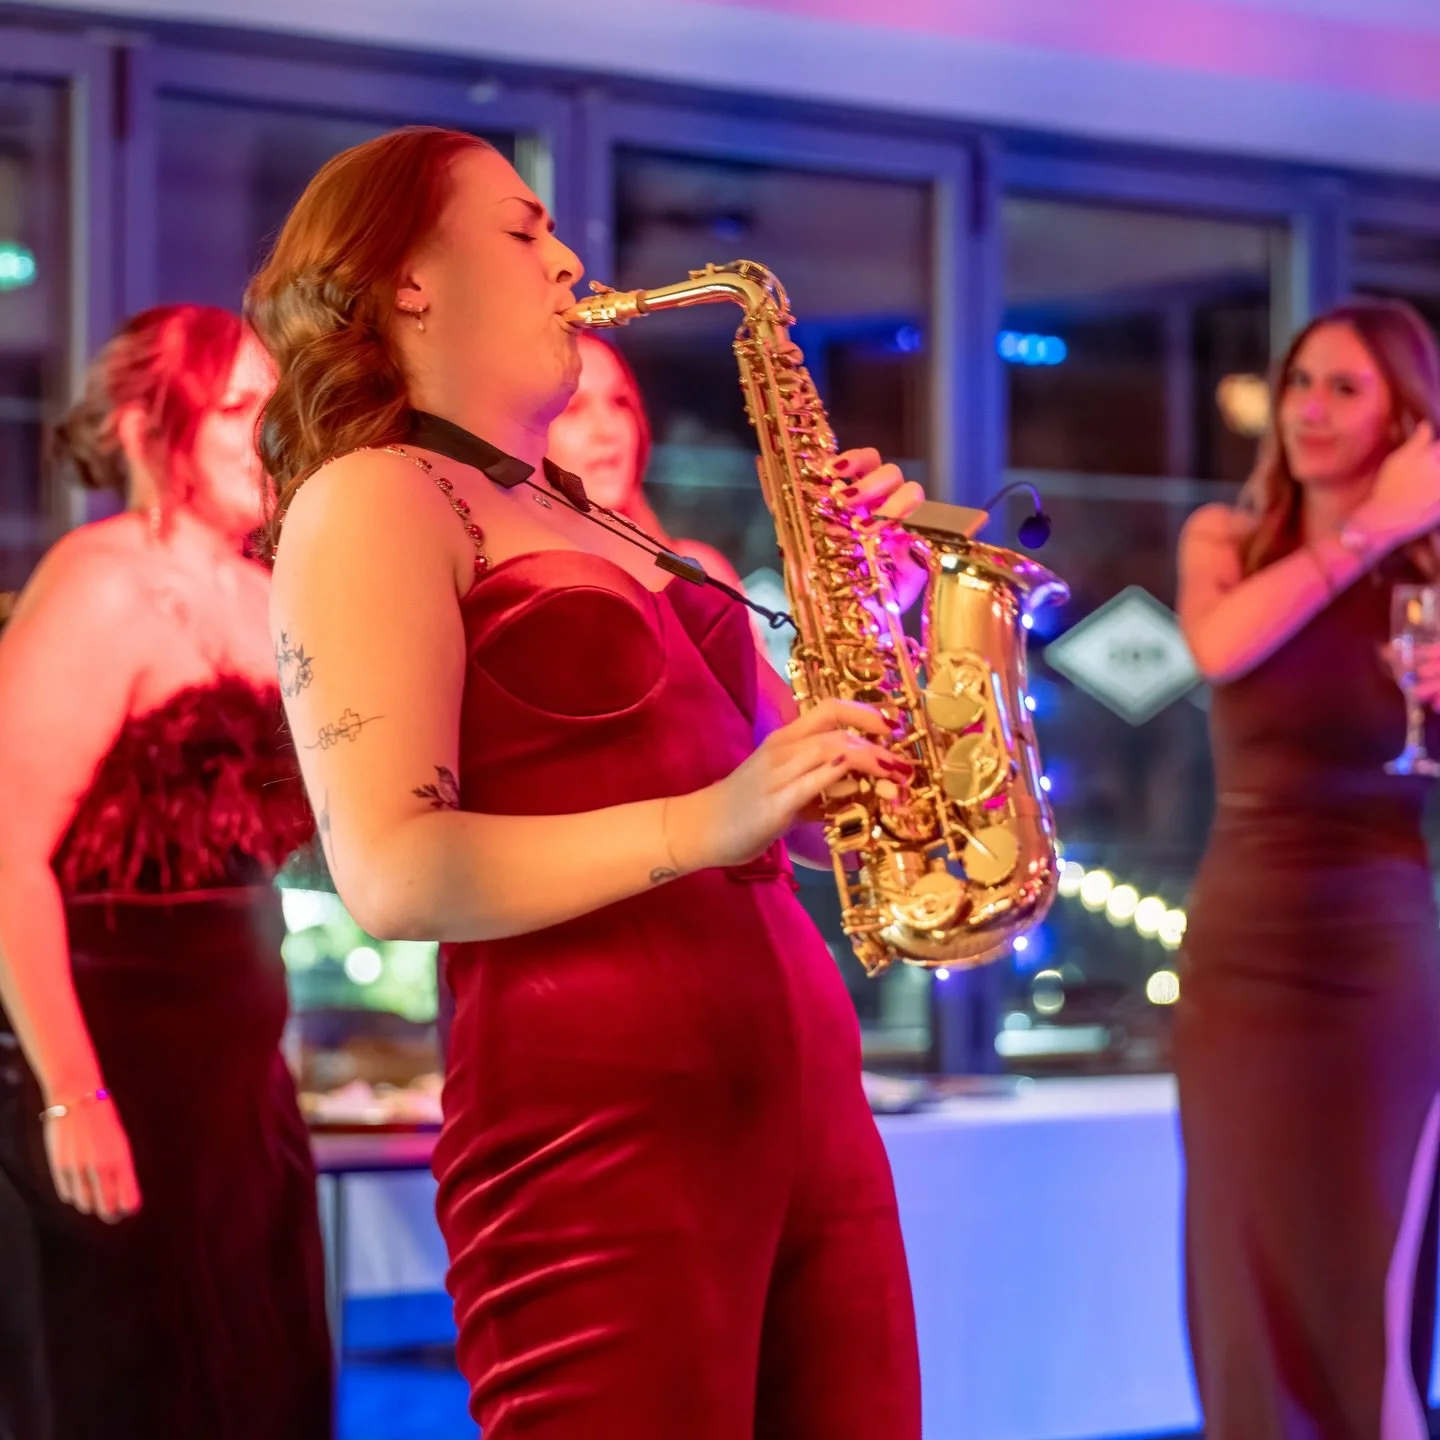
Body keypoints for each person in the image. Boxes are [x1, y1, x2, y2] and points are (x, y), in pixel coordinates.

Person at [246, 125, 924, 1439]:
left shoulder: (600, 519)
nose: (567, 260)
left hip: (808, 1100)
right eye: (523, 230)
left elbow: (818, 819)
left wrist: (882, 613)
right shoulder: (374, 495)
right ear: (407, 281)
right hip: (597, 1121)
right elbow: (390, 871)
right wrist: (713, 819)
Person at [0, 305, 332, 1439]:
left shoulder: (267, 589)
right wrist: (73, 1094)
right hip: (109, 1058)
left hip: (238, 1077)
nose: (269, 435)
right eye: (237, 408)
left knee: (260, 1382)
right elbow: (6, 853)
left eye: (276, 409)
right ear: (149, 427)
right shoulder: (98, 579)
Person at [1176, 297, 1440, 1440]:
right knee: (1240, 1259)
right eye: (1299, 384)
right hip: (1241, 949)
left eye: (1345, 387)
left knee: (1365, 1261)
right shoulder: (1224, 542)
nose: (1310, 410)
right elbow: (1219, 646)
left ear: (1405, 418)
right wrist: (1369, 532)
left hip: (1381, 951)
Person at [547, 330, 747, 593]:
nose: (607, 429)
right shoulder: (521, 590)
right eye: (572, 408)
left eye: (620, 402)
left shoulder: (703, 569)